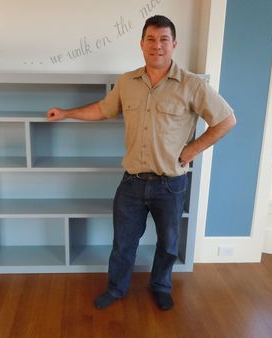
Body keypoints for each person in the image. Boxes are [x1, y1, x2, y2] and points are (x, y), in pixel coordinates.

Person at [47, 15, 236, 310]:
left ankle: (160, 286)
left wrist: (192, 150)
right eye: (151, 39)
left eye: (163, 40)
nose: (157, 46)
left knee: (168, 244)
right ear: (141, 44)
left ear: (173, 45)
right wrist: (67, 113)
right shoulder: (127, 82)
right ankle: (116, 288)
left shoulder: (192, 85)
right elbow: (103, 109)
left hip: (171, 184)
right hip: (132, 182)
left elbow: (226, 120)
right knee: (123, 243)